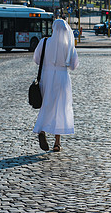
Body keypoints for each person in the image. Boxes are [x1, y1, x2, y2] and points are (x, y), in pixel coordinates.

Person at [33, 19, 79, 152]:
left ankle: (41, 130)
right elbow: (74, 66)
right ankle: (57, 143)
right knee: (60, 108)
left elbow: (36, 59)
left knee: (47, 104)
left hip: (46, 77)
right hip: (61, 78)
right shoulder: (68, 45)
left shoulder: (44, 42)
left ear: (53, 29)